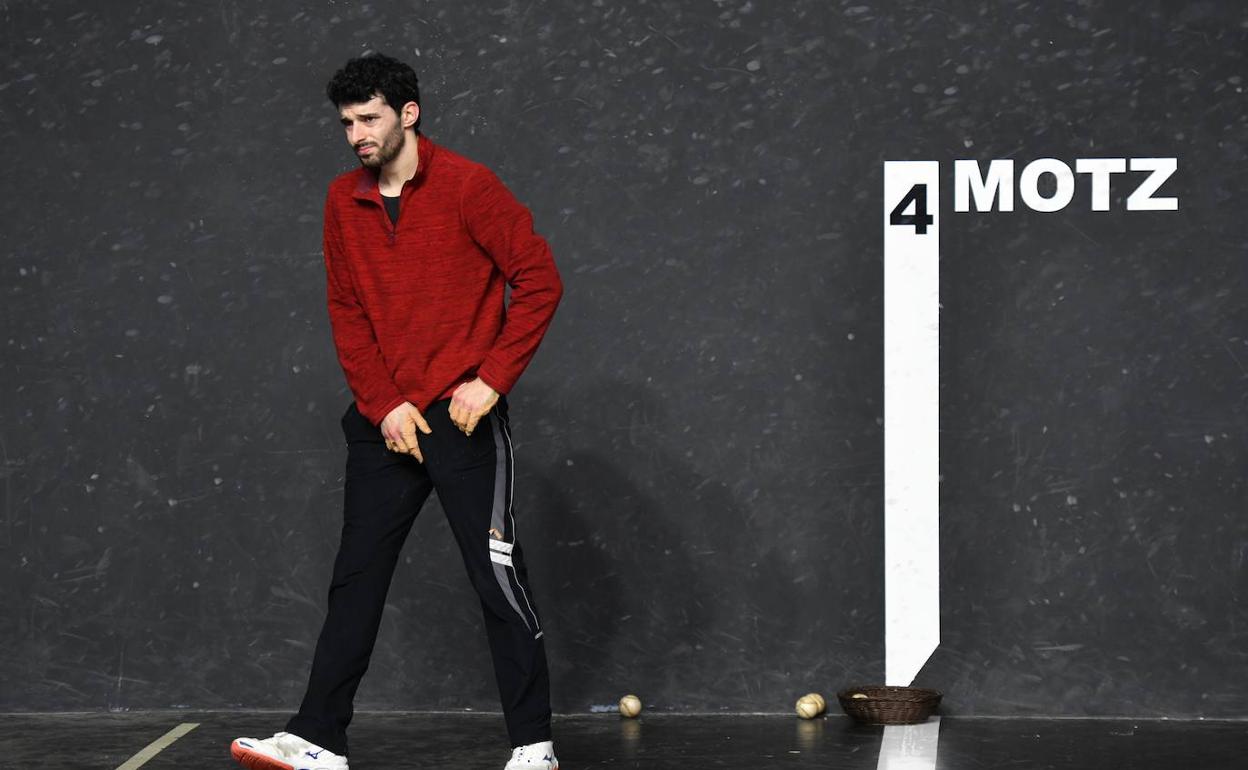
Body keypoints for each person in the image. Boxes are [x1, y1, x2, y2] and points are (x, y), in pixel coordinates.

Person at [230, 52, 563, 770]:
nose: (357, 134)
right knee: (355, 579)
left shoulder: (470, 186)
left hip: (463, 421)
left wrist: (491, 380)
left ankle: (534, 746)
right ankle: (318, 738)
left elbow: (539, 280)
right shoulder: (341, 201)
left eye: (369, 118)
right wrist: (383, 405)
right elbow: (347, 311)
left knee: (497, 577)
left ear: (408, 114)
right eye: (347, 123)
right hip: (387, 423)